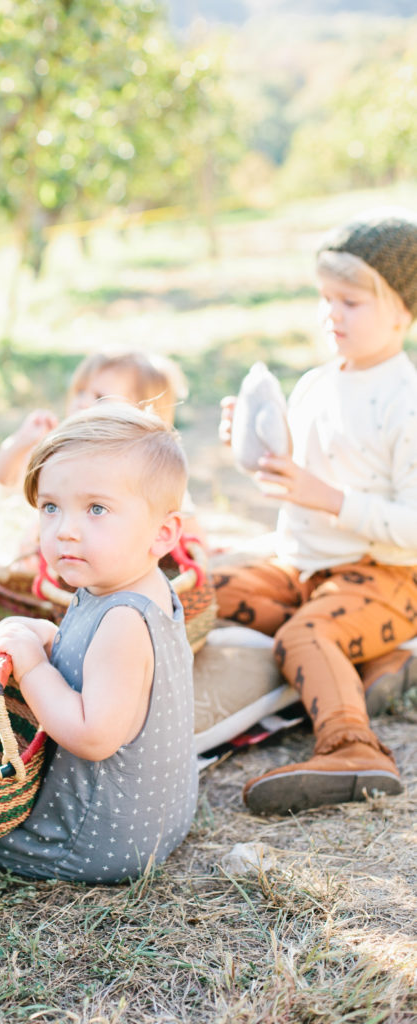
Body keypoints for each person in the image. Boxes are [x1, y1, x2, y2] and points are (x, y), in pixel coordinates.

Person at [215, 209, 417, 815]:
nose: (332, 313)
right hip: (303, 566)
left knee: (304, 634)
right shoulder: (315, 384)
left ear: (403, 311)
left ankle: (354, 747)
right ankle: (374, 659)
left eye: (351, 301)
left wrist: (326, 497)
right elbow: (294, 480)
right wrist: (249, 448)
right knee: (202, 586)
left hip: (383, 577)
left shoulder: (404, 403)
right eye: (325, 298)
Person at [0, 404, 198, 883]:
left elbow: (93, 736)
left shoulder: (122, 618)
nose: (65, 529)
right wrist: (47, 637)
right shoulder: (131, 584)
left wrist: (31, 665)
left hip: (98, 839)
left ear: (163, 533)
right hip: (153, 820)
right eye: (51, 507)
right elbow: (99, 669)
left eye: (97, 508)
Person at [0, 348, 204, 547]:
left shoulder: (151, 466)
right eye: (80, 392)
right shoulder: (61, 450)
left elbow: (183, 516)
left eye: (99, 397)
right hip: (54, 553)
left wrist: (203, 550)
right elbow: (1, 476)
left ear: (141, 412)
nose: (82, 403)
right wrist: (22, 441)